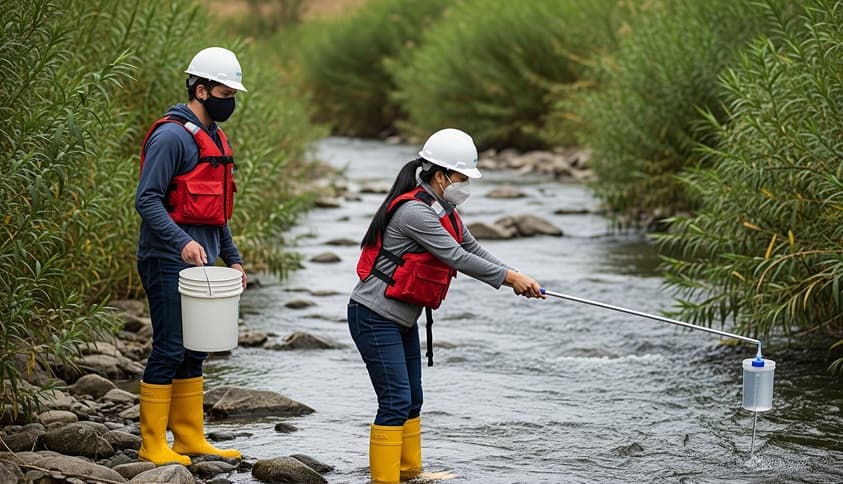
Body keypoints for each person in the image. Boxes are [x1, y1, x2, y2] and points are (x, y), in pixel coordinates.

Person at [349, 128, 545, 483]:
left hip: (400, 318)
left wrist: (514, 274)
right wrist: (508, 280)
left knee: (413, 399)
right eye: (462, 177)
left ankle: (408, 472)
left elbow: (472, 248)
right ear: (440, 175)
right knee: (394, 401)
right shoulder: (415, 212)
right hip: (374, 316)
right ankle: (384, 480)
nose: (466, 184)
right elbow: (455, 257)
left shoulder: (444, 209)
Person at [135, 47, 247, 466]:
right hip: (165, 258)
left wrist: (232, 258)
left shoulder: (215, 137)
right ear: (200, 90)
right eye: (223, 90)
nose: (230, 100)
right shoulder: (170, 136)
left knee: (194, 349)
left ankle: (188, 437)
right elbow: (146, 200)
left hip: (203, 261)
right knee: (169, 347)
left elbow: (214, 210)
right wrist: (180, 240)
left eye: (234, 92)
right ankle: (151, 442)